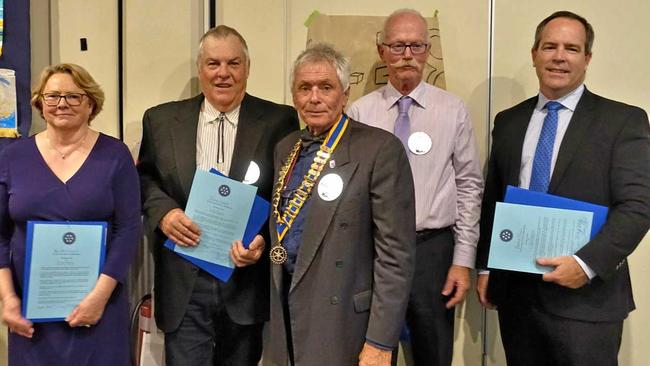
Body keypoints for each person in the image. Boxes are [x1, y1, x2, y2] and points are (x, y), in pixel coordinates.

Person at [476, 11, 650, 366]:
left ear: (587, 58)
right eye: (549, 46)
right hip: (518, 300)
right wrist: (486, 268)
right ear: (534, 53)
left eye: (571, 48)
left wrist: (585, 265)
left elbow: (638, 205)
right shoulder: (508, 121)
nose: (559, 56)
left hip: (587, 302)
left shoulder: (623, 121)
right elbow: (493, 200)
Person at [137, 25, 299, 365]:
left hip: (244, 279)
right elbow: (145, 178)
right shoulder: (161, 120)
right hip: (184, 278)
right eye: (213, 64)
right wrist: (164, 212)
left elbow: (287, 194)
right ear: (200, 70)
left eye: (233, 63)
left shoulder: (279, 120)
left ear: (247, 69)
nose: (223, 73)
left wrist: (263, 240)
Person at [347, 9, 483, 365]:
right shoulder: (360, 113)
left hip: (433, 253)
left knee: (433, 353)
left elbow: (469, 186)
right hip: (375, 251)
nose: (407, 55)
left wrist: (462, 261)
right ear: (382, 52)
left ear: (427, 50)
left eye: (416, 46)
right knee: (374, 352)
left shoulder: (453, 110)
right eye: (397, 46)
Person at [265, 43, 415, 366]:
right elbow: (287, 222)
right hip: (286, 317)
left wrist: (380, 341)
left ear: (345, 94)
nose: (314, 97)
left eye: (326, 87)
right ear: (294, 95)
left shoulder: (379, 150)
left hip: (345, 324)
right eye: (304, 88)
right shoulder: (286, 148)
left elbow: (396, 257)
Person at [0, 63, 141, 365]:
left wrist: (99, 297)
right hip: (31, 312)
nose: (62, 103)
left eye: (74, 96)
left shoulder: (115, 155)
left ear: (91, 103)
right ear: (40, 103)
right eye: (52, 96)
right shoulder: (12, 157)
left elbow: (128, 229)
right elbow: (0, 234)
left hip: (99, 307)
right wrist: (9, 299)